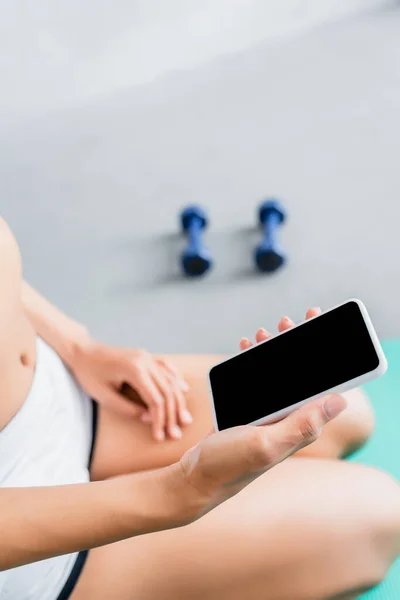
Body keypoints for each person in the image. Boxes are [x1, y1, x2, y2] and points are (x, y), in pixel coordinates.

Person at [0, 215, 399, 600]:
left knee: (348, 412)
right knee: (383, 517)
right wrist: (178, 492)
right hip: (35, 551)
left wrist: (78, 347)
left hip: (57, 396)